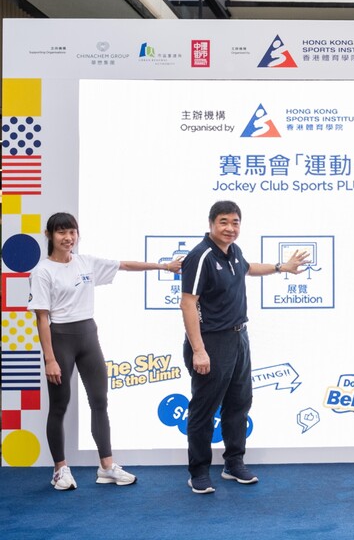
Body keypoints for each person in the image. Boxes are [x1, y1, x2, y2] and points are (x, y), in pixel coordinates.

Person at [28, 212, 183, 491]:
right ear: (49, 235)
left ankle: (106, 466)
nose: (68, 238)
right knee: (60, 406)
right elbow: (42, 318)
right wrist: (49, 359)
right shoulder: (42, 271)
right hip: (61, 339)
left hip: (89, 336)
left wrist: (164, 267)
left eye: (72, 232)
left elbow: (124, 265)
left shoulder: (85, 262)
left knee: (100, 401)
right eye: (62, 232)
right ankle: (60, 470)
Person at [181, 200, 309, 494]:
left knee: (239, 403)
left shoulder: (233, 252)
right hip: (211, 341)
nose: (230, 228)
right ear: (211, 223)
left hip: (239, 337)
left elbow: (248, 269)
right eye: (224, 222)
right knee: (203, 409)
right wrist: (199, 350)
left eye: (235, 222)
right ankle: (198, 471)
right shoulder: (200, 257)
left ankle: (233, 463)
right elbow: (188, 304)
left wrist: (281, 267)